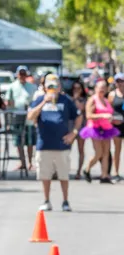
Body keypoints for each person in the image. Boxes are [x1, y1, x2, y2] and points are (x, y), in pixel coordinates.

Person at [28, 75, 81, 212]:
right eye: (49, 86)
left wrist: (73, 133)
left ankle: (65, 201)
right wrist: (43, 103)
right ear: (45, 88)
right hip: (44, 144)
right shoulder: (39, 99)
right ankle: (46, 200)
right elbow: (30, 116)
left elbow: (78, 116)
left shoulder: (66, 100)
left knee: (63, 174)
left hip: (62, 144)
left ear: (59, 87)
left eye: (55, 86)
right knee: (45, 174)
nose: (52, 89)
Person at [80, 79, 118, 183]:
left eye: (104, 88)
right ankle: (87, 169)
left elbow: (110, 113)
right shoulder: (92, 100)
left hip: (107, 128)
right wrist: (103, 115)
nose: (102, 90)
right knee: (99, 153)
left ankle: (104, 175)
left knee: (106, 153)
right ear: (96, 88)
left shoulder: (106, 100)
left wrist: (112, 118)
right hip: (95, 128)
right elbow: (88, 115)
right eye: (100, 88)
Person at [9, 66, 38, 174]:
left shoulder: (32, 87)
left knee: (30, 140)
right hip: (17, 116)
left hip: (29, 116)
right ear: (17, 75)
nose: (22, 76)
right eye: (20, 74)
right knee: (18, 140)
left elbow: (36, 101)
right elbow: (9, 101)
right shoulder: (12, 86)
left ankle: (30, 162)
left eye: (24, 74)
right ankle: (22, 162)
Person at [69, 80, 88, 178]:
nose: (76, 90)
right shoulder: (68, 99)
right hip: (70, 127)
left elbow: (80, 108)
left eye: (78, 88)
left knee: (81, 149)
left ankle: (79, 171)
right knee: (67, 149)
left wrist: (76, 99)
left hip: (81, 127)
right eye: (74, 88)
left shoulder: (84, 100)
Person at [108, 73, 124, 181]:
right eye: (118, 81)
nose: (120, 83)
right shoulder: (112, 94)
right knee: (117, 149)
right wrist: (112, 119)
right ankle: (116, 172)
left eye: (122, 81)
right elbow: (108, 110)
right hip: (116, 125)